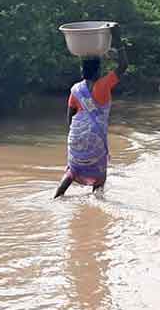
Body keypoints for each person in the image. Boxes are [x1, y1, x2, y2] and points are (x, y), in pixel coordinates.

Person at [53, 26, 128, 198]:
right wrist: (117, 38)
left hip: (75, 140)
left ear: (82, 71)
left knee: (72, 170)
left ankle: (57, 196)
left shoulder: (75, 90)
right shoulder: (104, 85)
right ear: (99, 72)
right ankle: (97, 200)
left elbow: (70, 117)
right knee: (101, 175)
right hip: (95, 143)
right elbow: (123, 65)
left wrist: (76, 139)